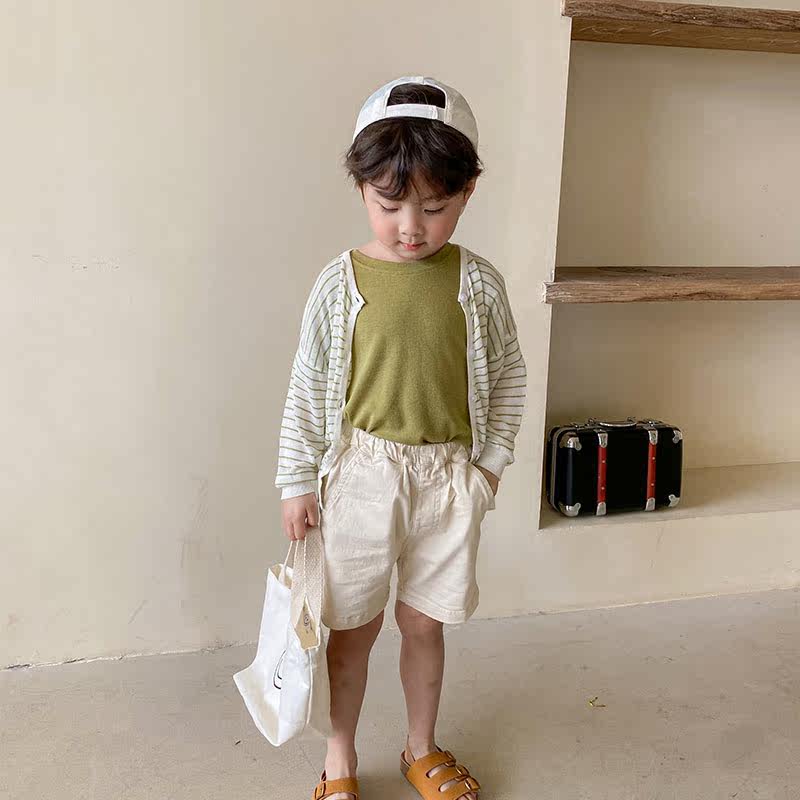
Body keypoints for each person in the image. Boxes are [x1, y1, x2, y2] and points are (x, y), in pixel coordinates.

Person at [276, 75, 527, 800]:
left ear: (467, 192)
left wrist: (489, 467)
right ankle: (339, 760)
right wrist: (296, 481)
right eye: (390, 206)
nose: (411, 226)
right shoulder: (339, 284)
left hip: (448, 479)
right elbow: (306, 386)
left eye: (434, 207)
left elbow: (507, 373)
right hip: (361, 476)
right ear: (362, 188)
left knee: (423, 623)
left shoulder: (477, 284)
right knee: (351, 629)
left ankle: (421, 746)